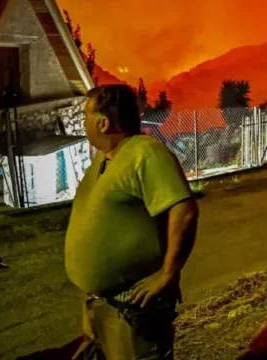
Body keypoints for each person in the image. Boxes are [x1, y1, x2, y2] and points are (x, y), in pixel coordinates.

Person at [66, 85, 199, 359]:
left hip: (132, 308)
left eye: (85, 117)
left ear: (103, 123)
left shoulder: (146, 153)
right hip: (102, 304)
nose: (83, 124)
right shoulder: (107, 156)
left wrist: (167, 274)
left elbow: (183, 211)